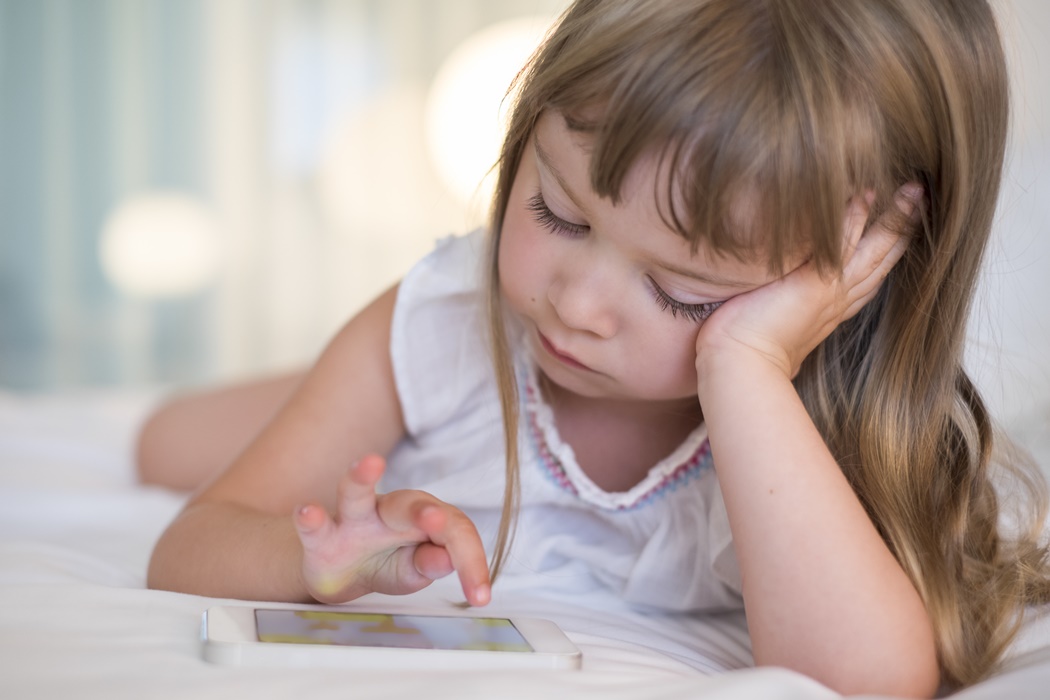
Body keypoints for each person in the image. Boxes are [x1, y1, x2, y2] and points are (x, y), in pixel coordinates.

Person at [139, 0, 1050, 695]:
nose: (574, 305)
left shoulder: (834, 423)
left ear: (859, 267)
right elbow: (191, 546)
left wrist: (744, 370)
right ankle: (324, 385)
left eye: (681, 290)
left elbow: (864, 683)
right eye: (556, 213)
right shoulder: (441, 324)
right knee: (165, 442)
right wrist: (310, 562)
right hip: (445, 380)